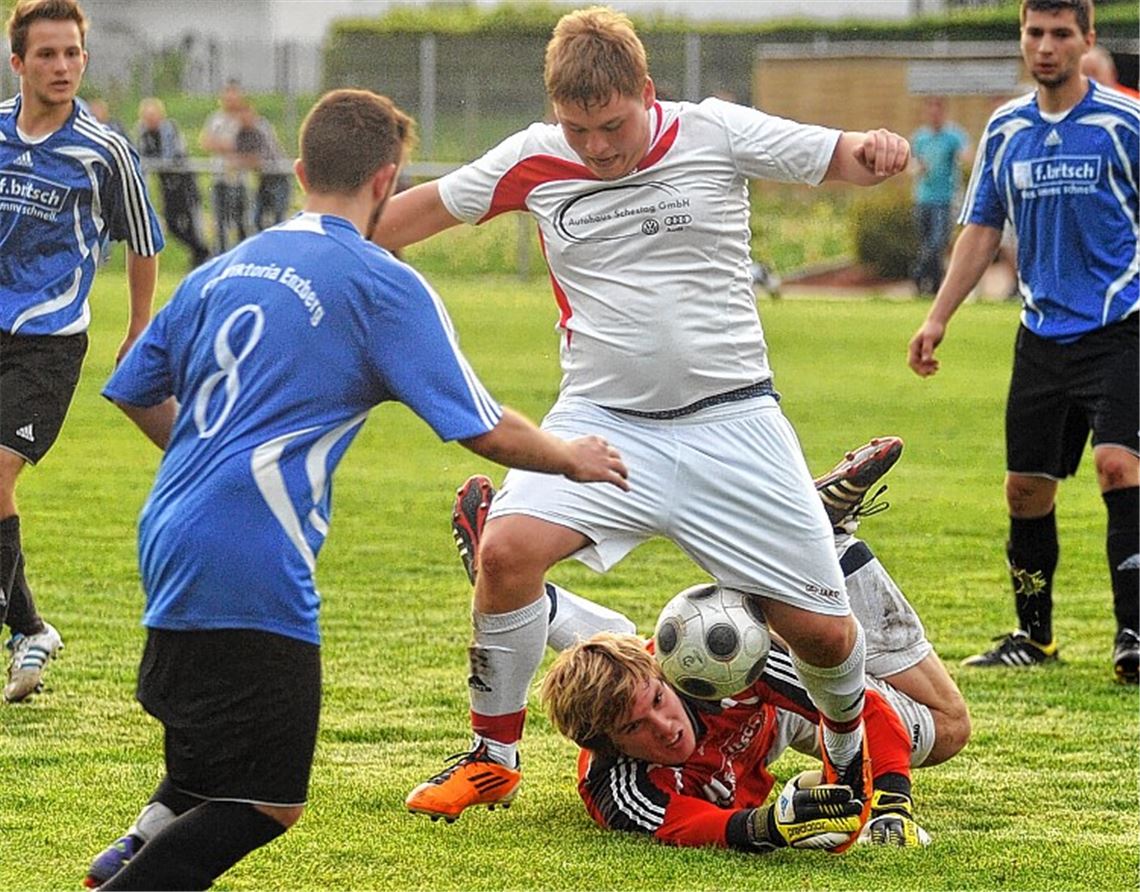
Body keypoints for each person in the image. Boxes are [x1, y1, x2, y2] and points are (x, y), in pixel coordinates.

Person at [373, 5, 911, 824]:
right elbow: (397, 224)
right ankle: (493, 759)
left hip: (735, 422)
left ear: (647, 92)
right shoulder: (531, 158)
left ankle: (844, 760)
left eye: (611, 125)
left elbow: (836, 154)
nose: (596, 146)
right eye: (577, 128)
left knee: (828, 637)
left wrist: (875, 151)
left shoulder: (714, 131)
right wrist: (328, 245)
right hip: (605, 425)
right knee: (509, 551)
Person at [86, 88, 627, 891]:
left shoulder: (223, 269)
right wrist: (569, 456)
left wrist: (210, 457)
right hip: (254, 552)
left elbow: (133, 386)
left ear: (301, 170)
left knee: (207, 761)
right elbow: (482, 427)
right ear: (389, 180)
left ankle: (121, 859)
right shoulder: (379, 283)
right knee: (267, 802)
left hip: (170, 532)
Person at [907, 0, 1139, 684]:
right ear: (1023, 38)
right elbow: (981, 228)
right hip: (1041, 334)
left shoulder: (1126, 125)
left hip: (1122, 326)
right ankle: (1033, 637)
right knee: (1024, 491)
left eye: (1060, 34)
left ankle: (1133, 635)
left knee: (1119, 468)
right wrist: (937, 316)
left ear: (1086, 40)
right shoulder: (1007, 129)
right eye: (1034, 33)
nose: (1045, 46)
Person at [1, 0, 163, 703]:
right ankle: (30, 630)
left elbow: (145, 240)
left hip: (48, 340)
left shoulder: (105, 150)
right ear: (18, 64)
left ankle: (24, 633)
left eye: (72, 54)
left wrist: (137, 329)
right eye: (47, 55)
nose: (62, 66)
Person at [136, 97, 212, 268]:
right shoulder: (143, 132)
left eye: (153, 116)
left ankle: (202, 256)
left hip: (184, 184)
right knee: (171, 226)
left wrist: (154, 162)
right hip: (167, 186)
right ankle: (200, 251)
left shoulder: (170, 129)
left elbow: (170, 156)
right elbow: (141, 156)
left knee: (192, 224)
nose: (149, 121)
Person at [909, 96, 970, 296]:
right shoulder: (920, 138)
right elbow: (911, 165)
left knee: (937, 242)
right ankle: (932, 286)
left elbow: (967, 155)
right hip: (923, 198)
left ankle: (918, 274)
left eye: (938, 110)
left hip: (944, 199)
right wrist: (918, 168)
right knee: (925, 242)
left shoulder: (953, 136)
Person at [199, 78, 248, 252]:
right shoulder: (215, 119)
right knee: (220, 222)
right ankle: (220, 256)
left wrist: (225, 145)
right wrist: (225, 145)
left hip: (239, 179)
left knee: (241, 222)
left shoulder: (244, 120)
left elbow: (243, 145)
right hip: (219, 178)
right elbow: (205, 142)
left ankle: (242, 255)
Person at [234, 100, 291, 231]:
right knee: (257, 219)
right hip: (263, 178)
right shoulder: (241, 133)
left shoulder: (261, 128)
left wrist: (241, 160)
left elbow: (259, 158)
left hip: (278, 176)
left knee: (279, 219)